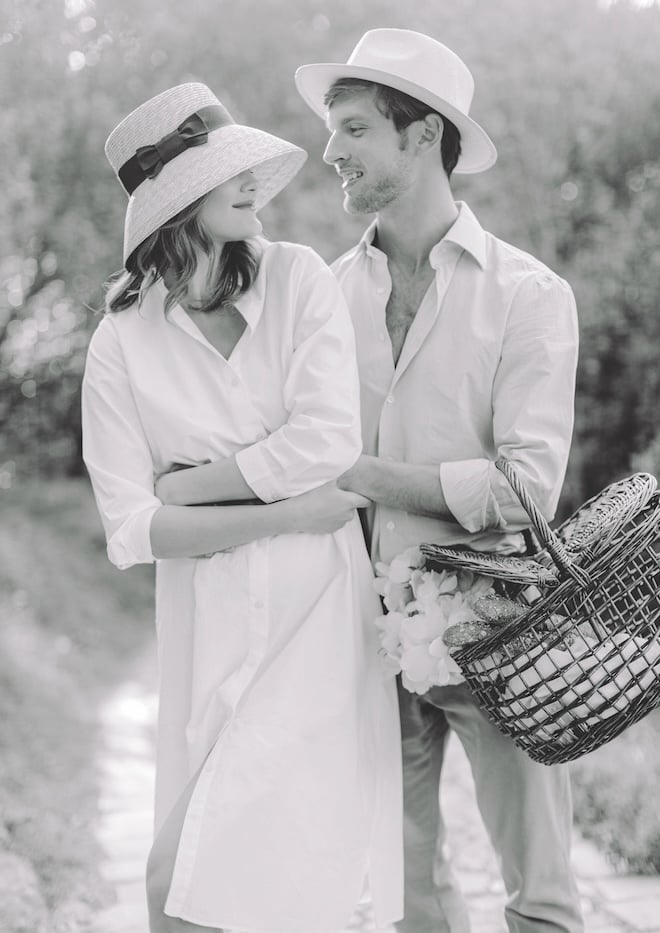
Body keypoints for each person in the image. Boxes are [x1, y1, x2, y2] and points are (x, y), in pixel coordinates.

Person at [82, 82, 403, 933]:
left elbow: (328, 442)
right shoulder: (121, 343)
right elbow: (132, 529)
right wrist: (282, 511)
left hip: (316, 621)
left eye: (247, 168)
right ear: (174, 202)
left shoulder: (298, 279)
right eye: (227, 174)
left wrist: (191, 483)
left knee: (245, 881)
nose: (253, 183)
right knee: (191, 885)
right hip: (211, 627)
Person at [295, 28, 583, 933]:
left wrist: (363, 472)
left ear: (424, 137)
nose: (331, 150)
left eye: (354, 129)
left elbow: (528, 488)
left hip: (499, 631)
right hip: (359, 633)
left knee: (539, 897)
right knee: (404, 891)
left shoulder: (529, 296)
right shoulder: (325, 297)